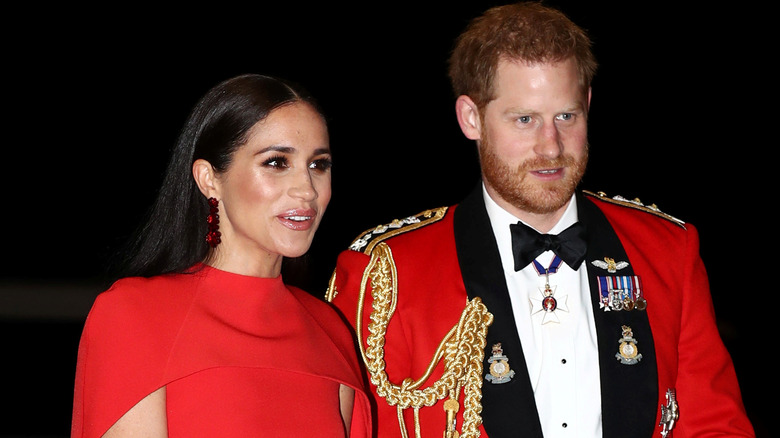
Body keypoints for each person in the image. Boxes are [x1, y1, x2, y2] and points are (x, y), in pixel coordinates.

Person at [325, 3, 754, 438]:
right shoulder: (385, 273)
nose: (550, 147)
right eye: (525, 119)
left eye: (566, 116)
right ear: (471, 118)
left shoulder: (666, 248)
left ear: (587, 104)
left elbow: (716, 425)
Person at [71, 74, 372, 437]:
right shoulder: (136, 314)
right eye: (277, 162)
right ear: (209, 179)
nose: (306, 189)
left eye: (318, 165)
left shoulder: (329, 330)